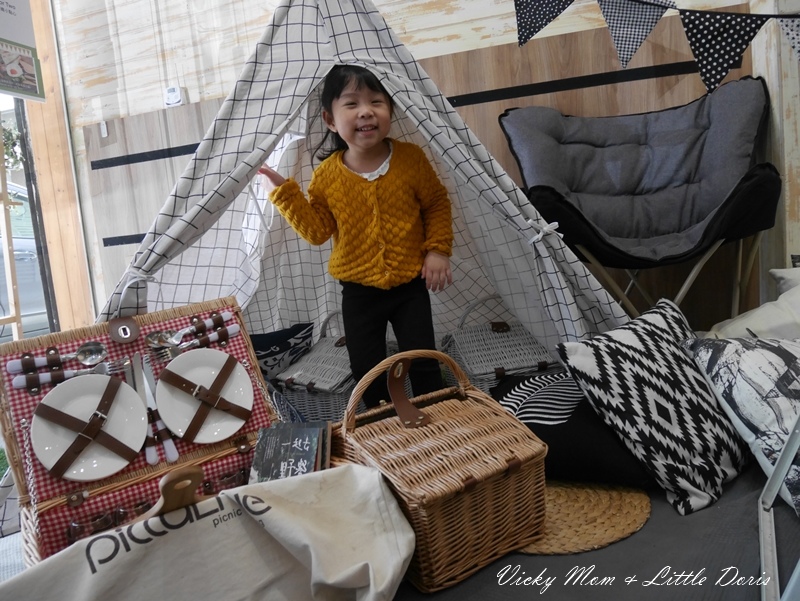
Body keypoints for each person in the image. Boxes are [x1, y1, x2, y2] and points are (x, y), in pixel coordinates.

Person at [259, 64, 454, 407]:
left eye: (376, 102)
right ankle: (379, 418)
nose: (366, 111)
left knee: (423, 357)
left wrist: (437, 250)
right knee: (365, 366)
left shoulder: (410, 159)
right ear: (330, 120)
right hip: (358, 292)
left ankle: (435, 411)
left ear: (390, 110)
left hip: (410, 286)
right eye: (351, 103)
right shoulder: (326, 176)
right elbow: (317, 231)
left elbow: (436, 203)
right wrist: (283, 193)